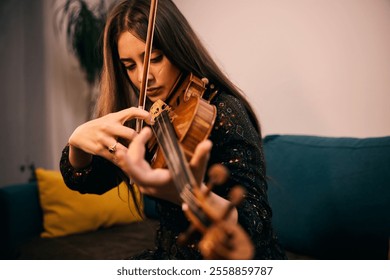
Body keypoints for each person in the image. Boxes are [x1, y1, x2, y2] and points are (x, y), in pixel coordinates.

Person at [60, 0, 286, 260]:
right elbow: (89, 181)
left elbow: (255, 224)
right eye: (129, 66)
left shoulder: (223, 110)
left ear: (178, 47)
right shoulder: (150, 116)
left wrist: (190, 195)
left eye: (154, 58)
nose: (143, 77)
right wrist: (77, 142)